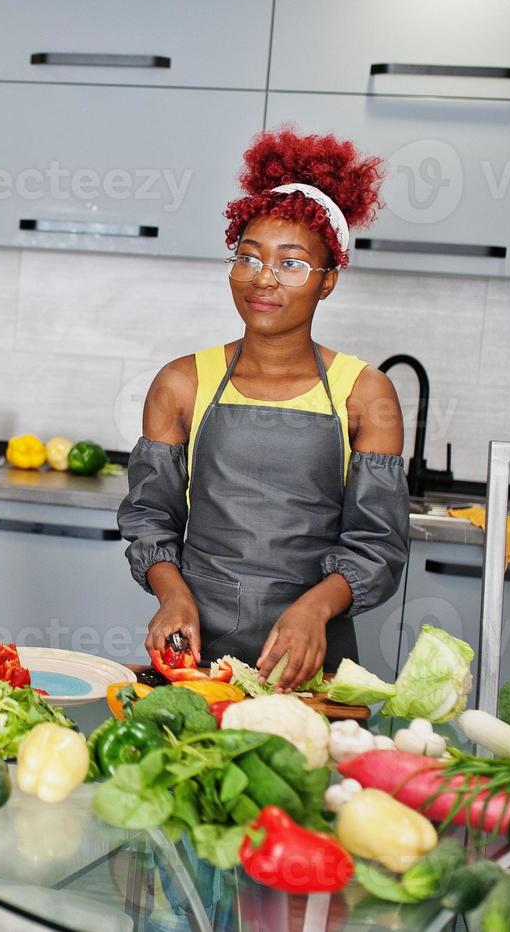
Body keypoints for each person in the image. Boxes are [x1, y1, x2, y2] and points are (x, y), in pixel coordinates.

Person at [118, 128, 411, 691]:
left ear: (327, 281)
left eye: (292, 264)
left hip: (311, 663)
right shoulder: (181, 383)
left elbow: (378, 545)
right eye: (248, 257)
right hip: (194, 654)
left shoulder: (366, 394)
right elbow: (150, 518)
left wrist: (313, 611)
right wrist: (173, 597)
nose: (264, 278)